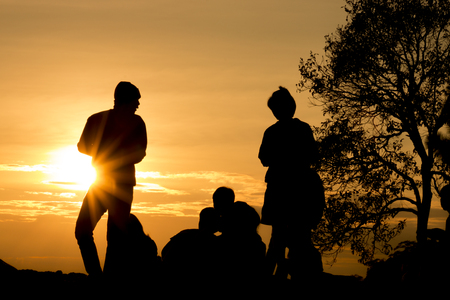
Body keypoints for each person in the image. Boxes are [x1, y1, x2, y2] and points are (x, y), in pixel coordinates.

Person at [75, 81, 147, 279]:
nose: (138, 105)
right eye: (135, 100)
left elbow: (140, 153)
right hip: (101, 183)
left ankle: (108, 281)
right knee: (82, 231)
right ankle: (97, 277)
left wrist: (111, 154)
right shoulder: (96, 119)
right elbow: (82, 146)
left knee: (115, 238)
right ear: (124, 100)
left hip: (122, 186)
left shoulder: (137, 123)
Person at [258, 86, 324, 280]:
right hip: (292, 190)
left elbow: (265, 158)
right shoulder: (298, 129)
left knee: (285, 238)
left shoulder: (277, 131)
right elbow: (264, 158)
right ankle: (284, 274)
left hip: (291, 191)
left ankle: (284, 274)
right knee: (291, 237)